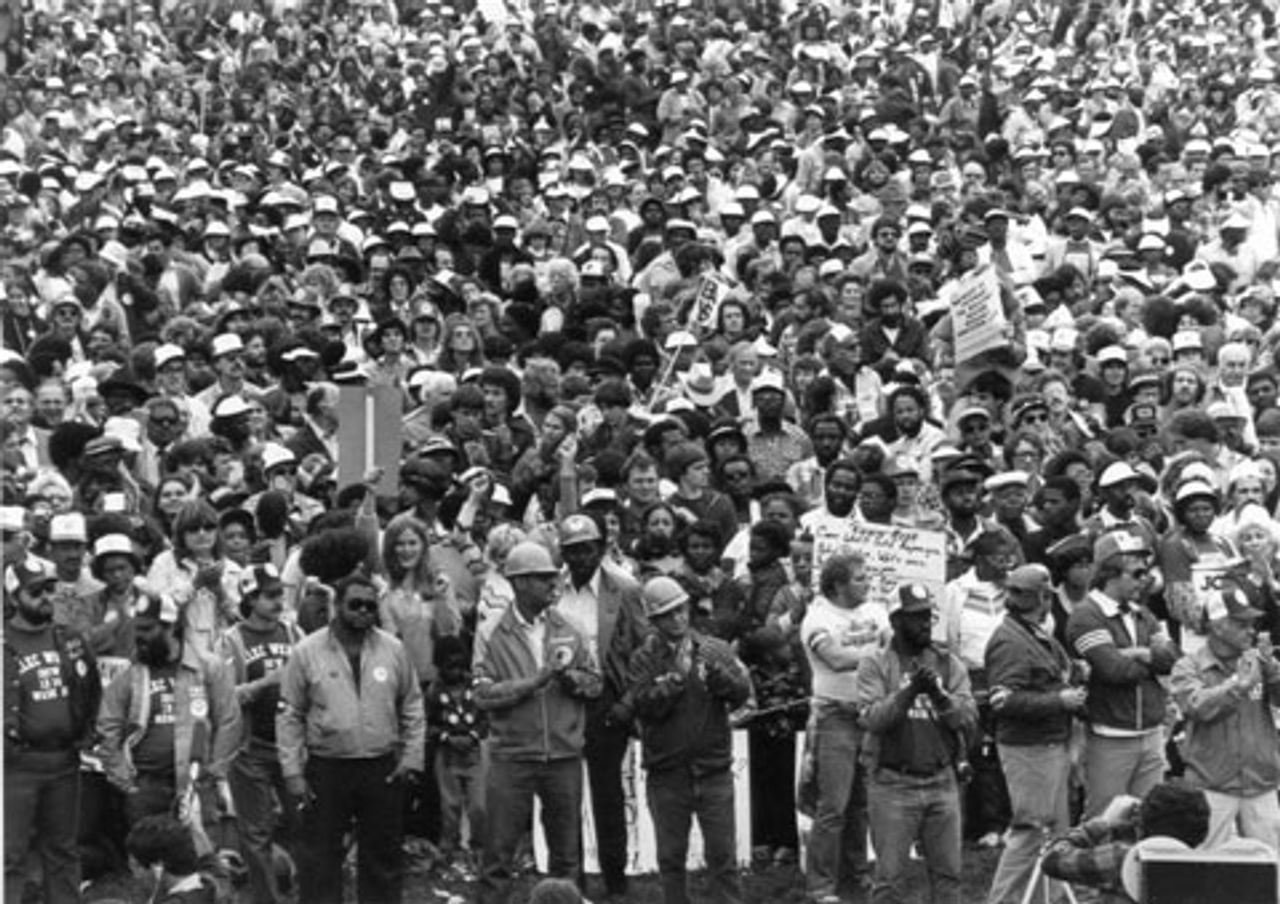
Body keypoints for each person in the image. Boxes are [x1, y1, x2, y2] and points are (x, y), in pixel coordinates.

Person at [276, 573, 427, 904]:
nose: (363, 611)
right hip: (327, 767)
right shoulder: (306, 651)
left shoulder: (394, 649)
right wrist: (292, 772)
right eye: (355, 604)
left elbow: (413, 706)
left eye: (370, 606)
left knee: (383, 858)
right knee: (320, 859)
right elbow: (289, 714)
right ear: (337, 606)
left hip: (381, 768)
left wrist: (411, 759)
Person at [472, 541, 602, 904]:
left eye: (551, 577)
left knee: (566, 857)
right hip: (511, 755)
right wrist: (535, 682)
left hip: (563, 755)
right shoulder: (490, 630)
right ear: (519, 582)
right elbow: (482, 695)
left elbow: (596, 685)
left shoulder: (571, 626)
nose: (552, 584)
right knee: (498, 854)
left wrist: (574, 680)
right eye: (543, 578)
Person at [628, 576, 752, 904]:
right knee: (670, 859)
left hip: (713, 770)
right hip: (667, 773)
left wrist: (724, 681)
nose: (678, 619)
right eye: (667, 614)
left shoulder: (715, 648)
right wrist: (673, 684)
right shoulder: (643, 658)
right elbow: (640, 705)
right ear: (653, 620)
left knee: (724, 858)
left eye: (681, 610)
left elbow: (743, 695)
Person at [854, 583, 977, 904]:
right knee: (890, 881)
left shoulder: (949, 663)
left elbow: (966, 719)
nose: (925, 623)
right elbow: (873, 719)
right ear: (895, 621)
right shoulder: (874, 663)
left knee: (949, 875)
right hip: (893, 783)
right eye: (914, 617)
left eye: (927, 616)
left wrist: (937, 694)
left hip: (942, 780)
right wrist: (910, 692)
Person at [554, 512, 648, 901]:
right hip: (561, 698)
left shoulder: (624, 589)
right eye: (572, 551)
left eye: (587, 550)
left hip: (607, 699)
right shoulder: (553, 588)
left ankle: (616, 882)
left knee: (607, 792)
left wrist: (628, 702)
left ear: (601, 549)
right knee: (564, 793)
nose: (580, 558)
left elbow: (644, 650)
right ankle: (571, 885)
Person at [984, 564, 1087, 904]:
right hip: (1027, 748)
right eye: (1046, 597)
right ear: (1040, 599)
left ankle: (1051, 899)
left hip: (1048, 743)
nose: (1048, 603)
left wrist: (1071, 673)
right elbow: (1003, 700)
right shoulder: (1009, 641)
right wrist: (1059, 699)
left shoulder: (1031, 632)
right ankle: (1003, 900)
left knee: (1056, 832)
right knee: (1030, 831)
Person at [96, 590, 240, 829]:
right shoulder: (130, 672)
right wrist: (121, 775)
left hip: (197, 784)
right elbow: (108, 724)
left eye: (148, 630)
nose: (139, 637)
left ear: (171, 627)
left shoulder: (207, 667)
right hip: (146, 787)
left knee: (198, 856)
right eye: (137, 629)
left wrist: (214, 771)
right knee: (148, 858)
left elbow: (228, 721)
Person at [4, 558, 102, 904]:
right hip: (14, 765)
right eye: (36, 592)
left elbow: (92, 687)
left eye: (50, 589)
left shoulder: (69, 638)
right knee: (9, 856)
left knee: (63, 851)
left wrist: (87, 733)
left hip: (64, 760)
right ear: (13, 597)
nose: (47, 597)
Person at [1067, 531, 1181, 817]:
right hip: (1110, 734)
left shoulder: (1141, 612)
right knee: (1104, 820)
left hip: (1151, 732)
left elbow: (1173, 661)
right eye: (1137, 572)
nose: (1146, 579)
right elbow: (1115, 670)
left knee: (1149, 819)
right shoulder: (1086, 615)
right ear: (1109, 573)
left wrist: (1138, 653)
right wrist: (1150, 656)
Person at [799, 552, 886, 903]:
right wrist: (879, 656)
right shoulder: (817, 617)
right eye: (859, 577)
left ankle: (857, 876)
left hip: (869, 714)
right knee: (832, 805)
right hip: (834, 716)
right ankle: (821, 886)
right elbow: (834, 659)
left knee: (862, 802)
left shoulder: (875, 611)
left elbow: (895, 640)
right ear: (837, 585)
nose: (867, 582)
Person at [1169, 585, 1280, 851]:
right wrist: (1237, 687)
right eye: (1242, 624)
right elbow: (1196, 706)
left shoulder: (1258, 662)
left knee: (1272, 873)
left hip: (1260, 784)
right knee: (1208, 873)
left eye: (1252, 623)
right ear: (1218, 626)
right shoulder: (1189, 666)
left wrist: (1274, 672)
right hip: (1212, 787)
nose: (1251, 630)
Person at [219, 563, 303, 904]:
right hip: (250, 748)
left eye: (279, 593)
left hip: (291, 747)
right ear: (250, 598)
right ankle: (266, 898)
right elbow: (225, 698)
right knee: (256, 835)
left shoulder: (294, 633)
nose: (277, 600)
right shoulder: (231, 640)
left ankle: (303, 893)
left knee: (303, 825)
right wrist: (267, 682)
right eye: (269, 595)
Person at [1041, 783, 1212, 903]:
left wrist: (1103, 823)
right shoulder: (1206, 870)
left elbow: (1053, 860)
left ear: (1142, 823)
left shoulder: (1121, 859)